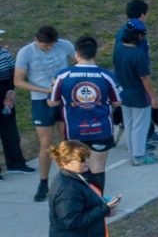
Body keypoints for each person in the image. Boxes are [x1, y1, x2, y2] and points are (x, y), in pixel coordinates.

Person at [48, 36, 121, 191]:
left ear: (76, 54)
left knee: (75, 168)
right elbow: (117, 102)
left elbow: (53, 102)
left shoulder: (62, 75)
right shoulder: (106, 75)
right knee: (98, 166)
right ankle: (98, 201)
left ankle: (80, 201)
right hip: (101, 129)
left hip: (74, 130)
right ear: (95, 54)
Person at [17, 26, 74, 201]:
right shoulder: (26, 52)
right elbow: (18, 81)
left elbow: (79, 62)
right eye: (44, 46)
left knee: (67, 138)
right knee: (46, 143)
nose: (47, 48)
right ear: (36, 40)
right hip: (41, 99)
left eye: (50, 46)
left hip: (63, 97)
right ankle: (43, 183)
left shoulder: (64, 45)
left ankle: (71, 179)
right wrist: (46, 90)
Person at [112, 22, 158, 166]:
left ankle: (133, 152)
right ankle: (139, 155)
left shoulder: (118, 49)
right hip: (138, 94)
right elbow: (144, 78)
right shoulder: (138, 55)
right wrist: (153, 96)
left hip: (123, 93)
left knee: (129, 124)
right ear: (139, 37)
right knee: (140, 125)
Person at [0, 31, 36, 177]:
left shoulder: (5, 54)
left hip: (6, 98)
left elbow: (13, 74)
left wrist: (10, 94)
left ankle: (15, 163)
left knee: (11, 133)